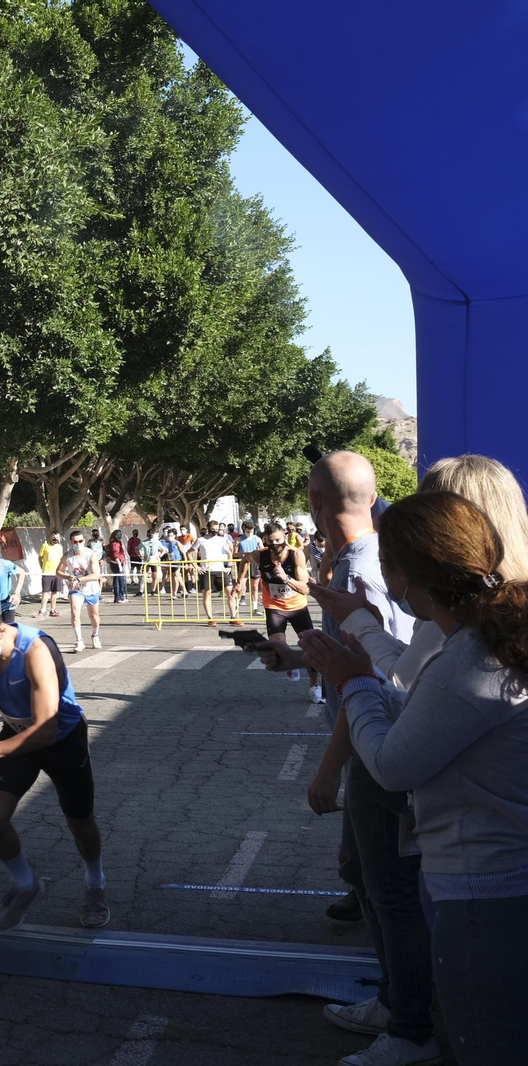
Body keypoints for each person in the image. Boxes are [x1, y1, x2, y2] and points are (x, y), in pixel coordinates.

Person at [302, 491, 528, 1066]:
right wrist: (358, 631)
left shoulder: (469, 662)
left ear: (403, 573)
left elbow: (393, 764)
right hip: (501, 880)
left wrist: (353, 682)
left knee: (486, 1042)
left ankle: (407, 1028)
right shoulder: (481, 633)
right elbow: (415, 685)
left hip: (485, 890)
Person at [257, 452, 420, 1066]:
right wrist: (299, 658)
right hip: (373, 746)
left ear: (318, 503)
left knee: (387, 890)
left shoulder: (358, 571)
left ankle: (409, 1026)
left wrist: (329, 769)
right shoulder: (366, 558)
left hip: (376, 749)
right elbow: (361, 654)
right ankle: (395, 1003)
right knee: (367, 879)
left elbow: (374, 678)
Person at [0, 595, 109, 930]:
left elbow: (45, 730)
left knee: (81, 823)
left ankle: (95, 884)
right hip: (16, 733)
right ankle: (25, 883)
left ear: (0, 629)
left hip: (61, 738)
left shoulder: (35, 650)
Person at [253, 522, 322, 701]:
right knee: (278, 649)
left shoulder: (296, 555)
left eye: (278, 540)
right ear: (265, 540)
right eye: (270, 541)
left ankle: (314, 686)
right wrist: (239, 580)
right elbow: (245, 559)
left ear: (285, 536)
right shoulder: (260, 556)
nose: (275, 544)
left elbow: (305, 589)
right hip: (274, 607)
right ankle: (290, 662)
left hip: (297, 607)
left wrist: (286, 577)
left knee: (311, 647)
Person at [61, 530, 103, 652]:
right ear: (71, 542)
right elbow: (58, 571)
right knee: (75, 612)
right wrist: (68, 577)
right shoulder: (67, 556)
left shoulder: (90, 554)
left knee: (94, 616)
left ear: (84, 541)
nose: (78, 543)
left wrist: (78, 579)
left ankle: (95, 636)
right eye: (75, 541)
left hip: (91, 588)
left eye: (80, 541)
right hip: (76, 589)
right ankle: (79, 640)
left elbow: (95, 575)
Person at [192, 519, 238, 626]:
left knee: (230, 593)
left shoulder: (221, 540)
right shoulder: (200, 540)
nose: (215, 532)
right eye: (213, 530)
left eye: (217, 530)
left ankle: (233, 617)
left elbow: (229, 553)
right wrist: (196, 567)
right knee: (206, 593)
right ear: (208, 529)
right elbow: (190, 553)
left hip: (220, 569)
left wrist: (229, 565)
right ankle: (210, 618)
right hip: (206, 570)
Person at [36, 532, 65, 619]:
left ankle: (53, 610)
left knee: (54, 592)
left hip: (56, 573)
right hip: (47, 572)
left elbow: (61, 559)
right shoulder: (45, 546)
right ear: (50, 537)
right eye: (54, 537)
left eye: (57, 537)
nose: (55, 539)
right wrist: (42, 567)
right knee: (45, 592)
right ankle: (42, 610)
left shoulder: (60, 547)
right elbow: (40, 558)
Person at [236, 521, 262, 607]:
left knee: (254, 586)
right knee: (242, 585)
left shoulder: (257, 539)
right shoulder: (238, 539)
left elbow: (262, 550)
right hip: (243, 563)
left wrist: (256, 552)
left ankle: (254, 607)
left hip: (254, 564)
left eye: (251, 531)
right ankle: (236, 604)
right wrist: (245, 553)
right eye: (248, 531)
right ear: (244, 529)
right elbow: (234, 553)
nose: (250, 533)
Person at [107, 530, 128, 604]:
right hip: (116, 564)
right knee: (117, 581)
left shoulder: (119, 542)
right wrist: (119, 564)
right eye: (118, 535)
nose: (120, 536)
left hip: (121, 563)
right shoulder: (114, 544)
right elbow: (115, 554)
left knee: (121, 581)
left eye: (121, 534)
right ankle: (117, 598)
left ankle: (121, 597)